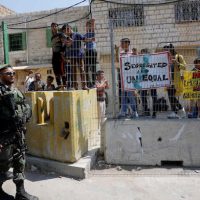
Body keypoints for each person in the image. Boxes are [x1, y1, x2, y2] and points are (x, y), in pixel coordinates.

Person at [0, 64, 38, 200]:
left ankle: (20, 192)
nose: (12, 76)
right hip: (4, 135)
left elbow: (26, 105)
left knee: (19, 161)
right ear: (1, 76)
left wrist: (25, 114)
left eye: (13, 73)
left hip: (18, 133)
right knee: (3, 164)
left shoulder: (16, 91)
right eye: (8, 73)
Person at [63, 23, 92, 90]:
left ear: (69, 29)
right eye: (64, 31)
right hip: (72, 56)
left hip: (79, 55)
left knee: (82, 70)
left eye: (66, 30)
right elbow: (67, 45)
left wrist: (89, 39)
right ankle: (75, 86)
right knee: (74, 71)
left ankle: (84, 85)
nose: (66, 32)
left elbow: (84, 39)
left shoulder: (77, 34)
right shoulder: (66, 37)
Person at [163, 43, 186, 119]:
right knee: (170, 96)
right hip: (168, 81)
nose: (167, 50)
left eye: (168, 49)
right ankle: (176, 110)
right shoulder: (165, 58)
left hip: (176, 81)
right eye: (166, 49)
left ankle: (178, 109)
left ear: (172, 49)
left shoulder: (179, 57)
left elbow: (184, 67)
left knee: (172, 96)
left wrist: (177, 63)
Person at [118, 38, 138, 118]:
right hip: (123, 76)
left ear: (127, 44)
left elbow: (137, 63)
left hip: (131, 77)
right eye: (121, 43)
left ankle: (134, 111)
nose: (121, 45)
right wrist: (116, 52)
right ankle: (123, 111)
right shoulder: (121, 53)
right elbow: (118, 62)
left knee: (130, 94)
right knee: (123, 95)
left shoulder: (132, 53)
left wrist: (136, 54)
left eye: (122, 43)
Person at [140, 48, 158, 118]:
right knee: (143, 96)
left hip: (152, 80)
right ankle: (146, 111)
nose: (142, 55)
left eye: (143, 53)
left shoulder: (152, 60)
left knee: (154, 96)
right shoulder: (140, 61)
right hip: (144, 81)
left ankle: (154, 112)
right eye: (141, 54)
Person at [51, 22, 66, 87]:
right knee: (56, 72)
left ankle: (65, 85)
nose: (54, 28)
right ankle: (59, 86)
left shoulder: (61, 34)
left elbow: (65, 42)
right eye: (52, 26)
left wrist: (62, 51)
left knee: (62, 71)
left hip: (60, 55)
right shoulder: (52, 37)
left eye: (55, 26)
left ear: (57, 27)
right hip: (54, 56)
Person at [84, 19, 97, 88]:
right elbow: (84, 40)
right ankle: (89, 83)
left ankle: (94, 83)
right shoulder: (85, 34)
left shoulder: (92, 33)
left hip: (92, 50)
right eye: (87, 26)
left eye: (89, 26)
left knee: (93, 67)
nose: (88, 27)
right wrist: (89, 40)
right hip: (86, 51)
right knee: (86, 68)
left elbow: (93, 37)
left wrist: (93, 23)